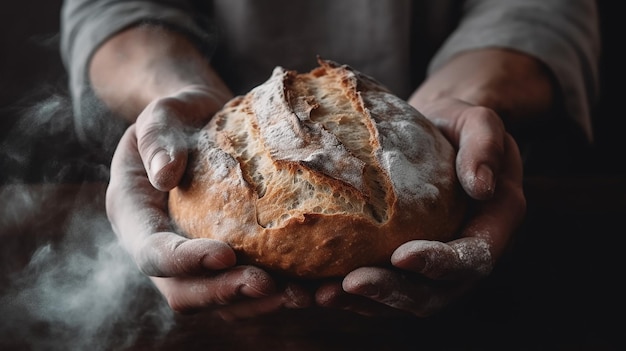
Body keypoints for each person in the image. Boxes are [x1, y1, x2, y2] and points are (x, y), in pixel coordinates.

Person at [60, 0, 600, 320]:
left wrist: (470, 101)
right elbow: (112, 8)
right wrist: (176, 93)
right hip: (211, 162)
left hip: (507, 297)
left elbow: (536, 10)